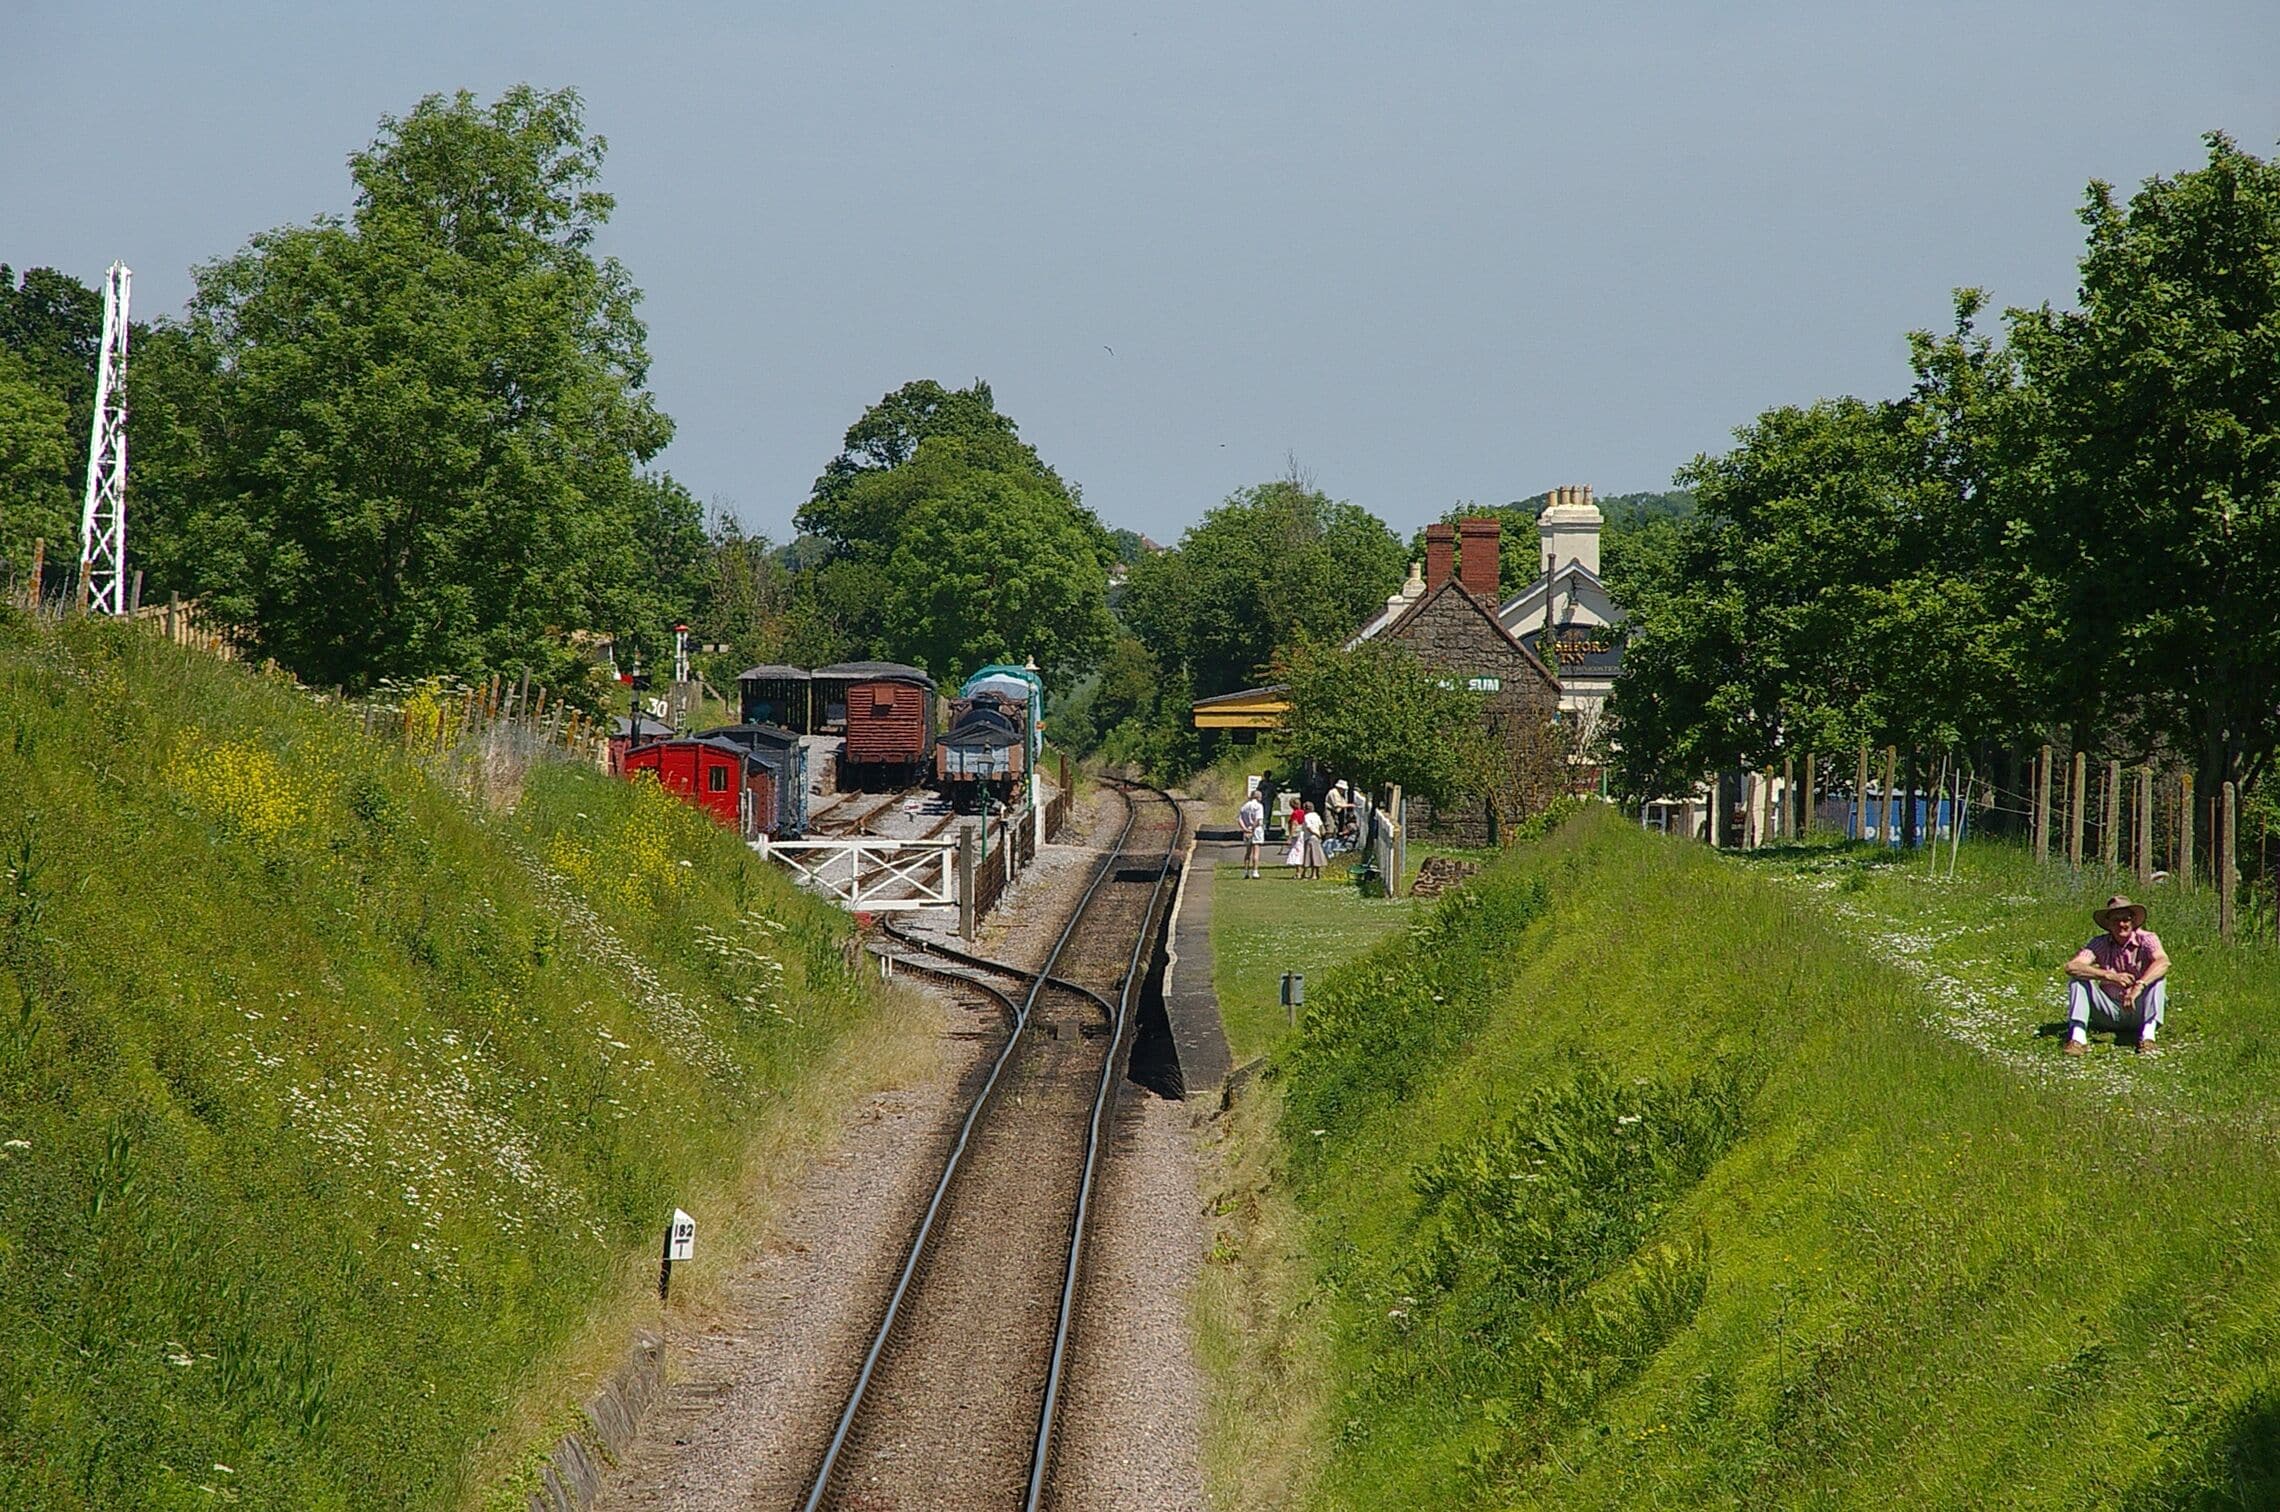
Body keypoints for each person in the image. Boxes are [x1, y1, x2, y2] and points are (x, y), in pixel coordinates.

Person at [2061, 893, 2170, 1056]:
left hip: (2139, 1007)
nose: (2121, 924)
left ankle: (2148, 1037)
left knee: (2158, 979)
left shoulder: (2147, 939)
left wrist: (2139, 986)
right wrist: (2109, 975)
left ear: (2133, 921)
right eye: (2115, 920)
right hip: (2109, 1009)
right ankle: (2078, 1038)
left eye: (2125, 919)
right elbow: (2072, 966)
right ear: (2108, 924)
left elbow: (2163, 962)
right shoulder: (2099, 943)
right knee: (2078, 980)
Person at [1237, 789, 1266, 879]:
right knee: (1256, 851)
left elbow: (1239, 819)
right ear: (1257, 797)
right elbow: (1258, 820)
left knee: (1248, 852)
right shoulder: (1259, 806)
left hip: (1247, 830)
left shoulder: (1245, 806)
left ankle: (1245, 871)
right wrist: (1252, 828)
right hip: (1256, 830)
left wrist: (1245, 829)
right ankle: (1255, 871)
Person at [1302, 801, 1327, 879]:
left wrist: (1317, 834)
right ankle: (1314, 874)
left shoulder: (1306, 817)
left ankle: (1311, 874)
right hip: (1316, 838)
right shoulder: (1316, 815)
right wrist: (1322, 834)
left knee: (1309, 857)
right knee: (1316, 856)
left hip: (1310, 837)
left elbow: (1309, 828)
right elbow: (1321, 825)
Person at [1284, 801, 1310, 875]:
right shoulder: (1303, 812)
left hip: (1297, 834)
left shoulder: (1295, 813)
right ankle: (1305, 871)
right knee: (1303, 851)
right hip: (1304, 833)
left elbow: (1294, 825)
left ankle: (1298, 871)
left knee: (1297, 852)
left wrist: (1290, 837)